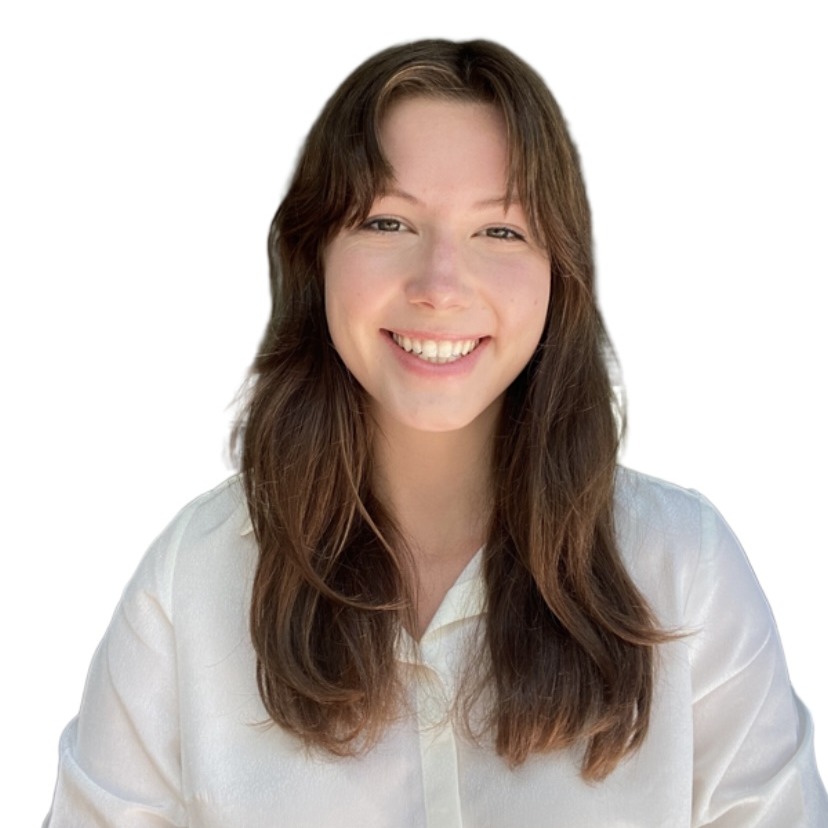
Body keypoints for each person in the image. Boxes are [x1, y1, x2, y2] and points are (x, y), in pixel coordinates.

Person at [44, 38, 827, 827]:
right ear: (313, 255)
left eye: (501, 232)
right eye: (388, 222)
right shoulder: (193, 582)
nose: (440, 286)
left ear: (562, 274)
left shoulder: (685, 569)